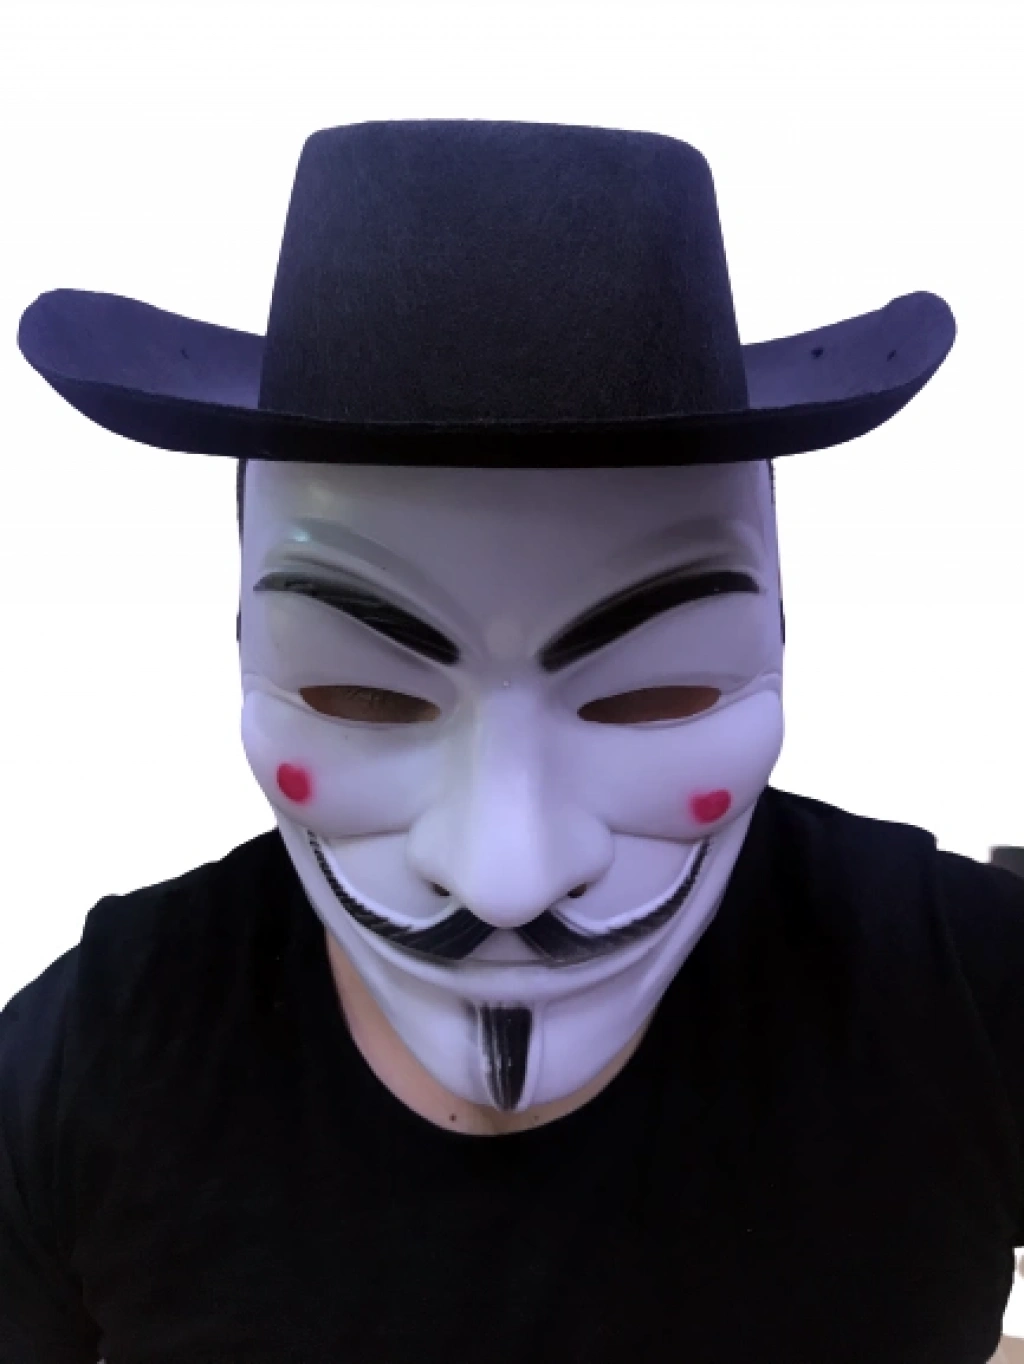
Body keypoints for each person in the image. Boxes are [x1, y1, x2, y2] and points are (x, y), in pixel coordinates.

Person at [2, 118, 1022, 1364]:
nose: (505, 877)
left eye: (652, 696)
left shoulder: (968, 991)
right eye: (364, 697)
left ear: (782, 637)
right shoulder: (94, 1052)